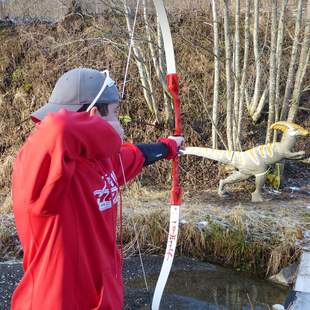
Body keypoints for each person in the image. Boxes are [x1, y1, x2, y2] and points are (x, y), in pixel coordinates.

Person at [11, 67, 184, 310]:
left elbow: (133, 156)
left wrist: (167, 148)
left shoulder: (101, 161)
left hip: (101, 299)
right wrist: (104, 133)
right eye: (115, 113)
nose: (120, 121)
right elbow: (56, 129)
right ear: (93, 115)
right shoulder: (41, 168)